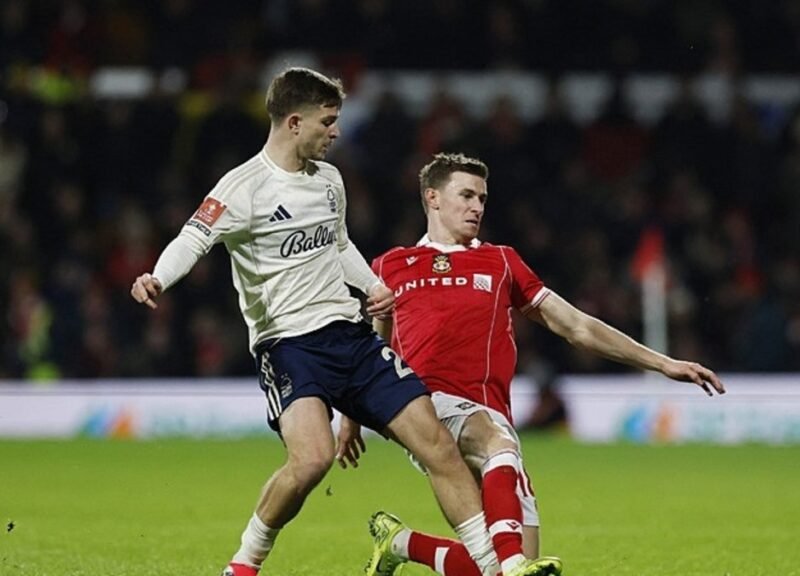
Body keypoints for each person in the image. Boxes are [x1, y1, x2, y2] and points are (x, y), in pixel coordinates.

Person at [130, 69, 552, 576]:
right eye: (327, 122)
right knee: (312, 460)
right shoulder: (243, 188)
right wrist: (158, 277)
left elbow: (339, 243)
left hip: (350, 336)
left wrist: (372, 286)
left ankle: (495, 566)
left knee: (437, 443)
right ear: (294, 122)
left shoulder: (329, 180)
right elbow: (193, 238)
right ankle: (243, 563)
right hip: (289, 344)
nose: (335, 132)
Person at [358, 152, 726, 576]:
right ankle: (512, 560)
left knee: (498, 565)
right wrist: (352, 417)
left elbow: (577, 326)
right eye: (467, 195)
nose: (477, 207)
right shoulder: (391, 266)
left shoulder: (501, 261)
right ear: (433, 198)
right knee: (497, 450)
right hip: (427, 407)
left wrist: (662, 363)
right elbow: (373, 346)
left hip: (490, 409)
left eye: (482, 198)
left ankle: (400, 543)